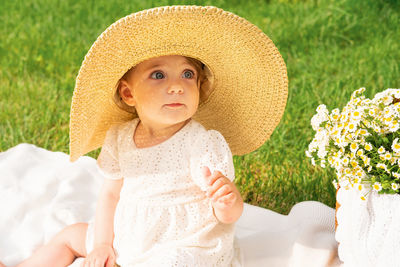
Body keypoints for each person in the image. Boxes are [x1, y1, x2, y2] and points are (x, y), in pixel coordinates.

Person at [4, 5, 288, 267]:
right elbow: (110, 194)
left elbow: (223, 215)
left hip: (185, 242)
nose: (177, 86)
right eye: (159, 76)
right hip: (132, 233)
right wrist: (102, 244)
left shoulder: (201, 143)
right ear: (129, 94)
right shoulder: (120, 137)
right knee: (71, 234)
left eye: (187, 74)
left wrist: (229, 202)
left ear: (200, 87)